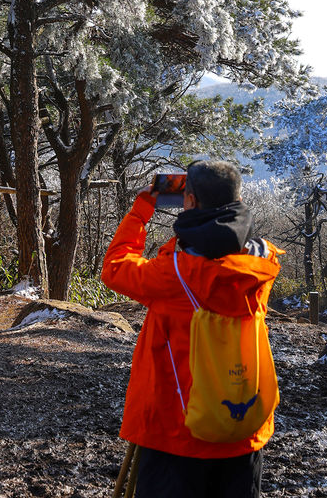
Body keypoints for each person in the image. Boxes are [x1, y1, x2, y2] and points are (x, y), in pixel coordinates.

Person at [101, 160, 281, 498]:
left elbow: (115, 268)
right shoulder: (263, 262)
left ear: (192, 201)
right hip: (241, 430)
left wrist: (142, 210)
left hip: (175, 433)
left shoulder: (173, 272)